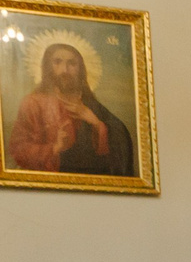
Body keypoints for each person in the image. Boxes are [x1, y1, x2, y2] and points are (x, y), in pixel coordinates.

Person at [7, 43, 138, 177]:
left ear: (80, 70)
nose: (65, 70)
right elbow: (18, 149)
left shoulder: (90, 104)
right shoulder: (33, 103)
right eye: (57, 62)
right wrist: (55, 148)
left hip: (91, 181)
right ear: (48, 67)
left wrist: (96, 123)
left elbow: (121, 138)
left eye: (72, 63)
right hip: (52, 181)